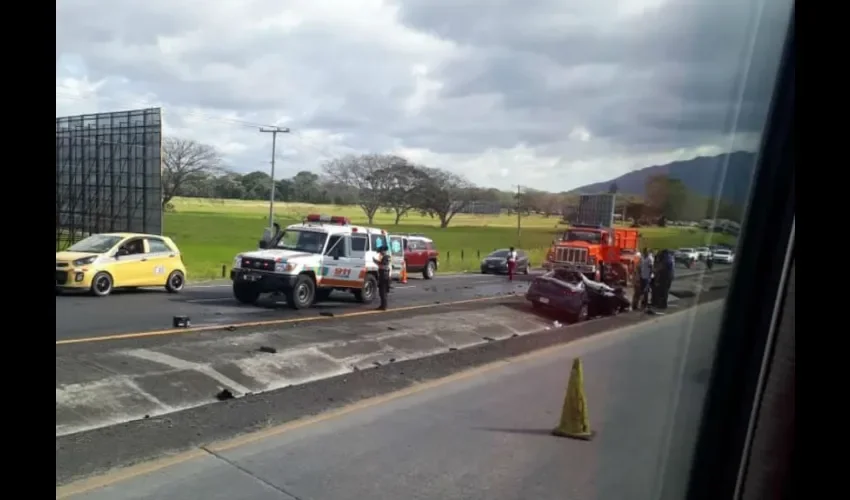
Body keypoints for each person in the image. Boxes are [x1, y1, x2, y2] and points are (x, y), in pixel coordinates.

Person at [373, 245, 391, 310]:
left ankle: (383, 306)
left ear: (384, 251)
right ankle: (383, 305)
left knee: (382, 292)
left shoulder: (386, 257)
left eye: (381, 251)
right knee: (383, 292)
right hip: (385, 275)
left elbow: (382, 265)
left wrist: (375, 261)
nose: (380, 253)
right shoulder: (387, 257)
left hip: (384, 276)